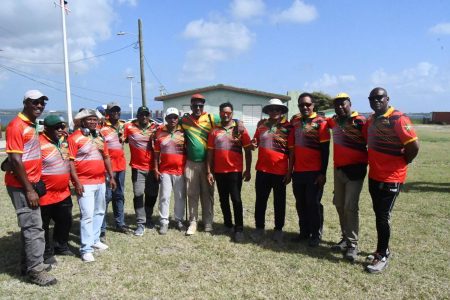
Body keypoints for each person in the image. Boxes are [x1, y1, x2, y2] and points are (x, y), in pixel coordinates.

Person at [363, 87, 419, 273]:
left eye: (380, 97)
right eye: (373, 98)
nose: (376, 100)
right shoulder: (371, 120)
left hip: (392, 177)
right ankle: (381, 249)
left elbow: (413, 146)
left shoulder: (398, 118)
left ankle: (383, 255)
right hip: (374, 175)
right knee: (378, 214)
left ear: (387, 98)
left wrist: (405, 160)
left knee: (383, 217)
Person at [4, 90, 57, 286]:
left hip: (32, 182)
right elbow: (15, 160)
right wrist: (29, 189)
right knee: (34, 227)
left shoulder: (32, 124)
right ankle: (36, 270)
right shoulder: (16, 126)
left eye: (42, 102)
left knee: (32, 226)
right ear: (25, 102)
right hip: (22, 186)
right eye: (35, 102)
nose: (39, 106)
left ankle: (28, 263)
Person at [68, 109, 116, 262]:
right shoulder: (74, 138)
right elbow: (70, 162)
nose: (93, 122)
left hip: (101, 180)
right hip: (85, 183)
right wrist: (76, 182)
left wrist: (111, 176)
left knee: (100, 211)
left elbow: (106, 157)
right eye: (89, 120)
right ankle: (85, 248)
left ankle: (95, 240)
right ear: (82, 122)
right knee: (87, 215)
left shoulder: (100, 136)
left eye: (95, 120)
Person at [327, 93, 368, 261]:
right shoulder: (334, 121)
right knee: (339, 204)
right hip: (338, 170)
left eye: (343, 104)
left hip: (355, 172)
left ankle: (352, 244)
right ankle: (345, 238)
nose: (340, 107)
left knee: (350, 206)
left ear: (349, 103)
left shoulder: (360, 121)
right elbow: (320, 122)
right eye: (337, 105)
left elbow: (373, 140)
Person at [206, 102, 252, 242]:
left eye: (228, 113)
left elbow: (248, 150)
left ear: (232, 113)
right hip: (219, 171)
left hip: (235, 171)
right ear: (220, 113)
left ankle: (239, 228)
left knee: (236, 199)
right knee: (223, 199)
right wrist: (209, 171)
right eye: (223, 112)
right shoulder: (214, 131)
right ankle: (228, 224)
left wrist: (248, 170)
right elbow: (209, 153)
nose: (226, 115)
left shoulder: (240, 129)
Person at [289, 92, 330, 247]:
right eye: (301, 105)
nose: (305, 107)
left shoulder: (321, 122)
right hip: (298, 171)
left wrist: (322, 173)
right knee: (300, 203)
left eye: (308, 104)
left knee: (313, 203)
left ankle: (316, 234)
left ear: (313, 105)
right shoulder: (295, 121)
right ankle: (304, 232)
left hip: (314, 172)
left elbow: (325, 151)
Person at [250, 98, 293, 243]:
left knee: (279, 202)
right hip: (262, 170)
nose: (274, 112)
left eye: (277, 109)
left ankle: (278, 230)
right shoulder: (261, 125)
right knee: (260, 201)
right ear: (267, 111)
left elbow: (292, 151)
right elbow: (255, 142)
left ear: (281, 111)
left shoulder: (288, 126)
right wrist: (254, 143)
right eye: (271, 109)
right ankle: (259, 228)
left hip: (280, 171)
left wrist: (289, 171)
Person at [180, 94, 219, 235]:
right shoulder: (184, 120)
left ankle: (208, 222)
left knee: (207, 194)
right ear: (191, 106)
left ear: (203, 106)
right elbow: (170, 125)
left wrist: (238, 123)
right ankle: (193, 222)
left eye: (200, 105)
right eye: (195, 105)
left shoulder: (211, 118)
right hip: (191, 164)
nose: (198, 108)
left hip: (208, 165)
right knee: (192, 194)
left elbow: (229, 120)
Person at [39, 115, 75, 267]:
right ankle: (47, 253)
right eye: (56, 127)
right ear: (46, 129)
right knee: (43, 225)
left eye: (62, 127)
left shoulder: (63, 142)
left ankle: (61, 245)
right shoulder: (38, 143)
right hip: (46, 193)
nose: (60, 130)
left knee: (65, 220)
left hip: (63, 192)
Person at [123, 106, 159, 236]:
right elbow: (118, 136)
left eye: (146, 114)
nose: (144, 117)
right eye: (141, 115)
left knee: (152, 194)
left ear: (149, 115)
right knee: (138, 194)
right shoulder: (129, 127)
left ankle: (148, 217)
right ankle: (140, 223)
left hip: (154, 168)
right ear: (137, 116)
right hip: (137, 168)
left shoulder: (156, 128)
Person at [154, 107, 186, 235]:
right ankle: (164, 221)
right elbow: (156, 154)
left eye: (175, 117)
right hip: (165, 170)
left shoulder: (184, 132)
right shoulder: (160, 132)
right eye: (170, 117)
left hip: (180, 170)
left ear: (178, 118)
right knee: (164, 197)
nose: (172, 120)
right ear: (166, 118)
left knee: (180, 197)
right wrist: (156, 169)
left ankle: (179, 220)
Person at [100, 102, 128, 241]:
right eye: (113, 111)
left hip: (121, 166)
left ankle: (120, 223)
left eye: (118, 110)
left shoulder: (123, 126)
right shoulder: (101, 127)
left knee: (119, 196)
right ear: (108, 113)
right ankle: (102, 229)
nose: (116, 113)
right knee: (106, 197)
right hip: (107, 168)